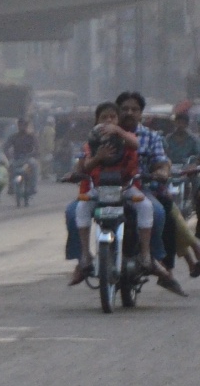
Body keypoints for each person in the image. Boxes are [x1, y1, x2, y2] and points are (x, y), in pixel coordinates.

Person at [69, 116, 183, 293]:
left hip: (126, 188)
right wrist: (99, 157)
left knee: (146, 207)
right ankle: (84, 255)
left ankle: (146, 254)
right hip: (100, 189)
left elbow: (135, 148)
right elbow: (86, 167)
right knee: (81, 207)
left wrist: (119, 132)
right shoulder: (91, 145)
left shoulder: (128, 143)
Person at [115, 89, 200, 276]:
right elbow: (86, 156)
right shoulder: (105, 133)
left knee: (161, 211)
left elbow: (162, 161)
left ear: (140, 113)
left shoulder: (152, 137)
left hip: (143, 187)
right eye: (125, 109)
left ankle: (153, 257)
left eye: (134, 109)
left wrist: (162, 171)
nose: (129, 113)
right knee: (75, 211)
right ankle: (83, 261)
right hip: (108, 189)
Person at [5, 116, 40, 197]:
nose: (22, 127)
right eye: (20, 125)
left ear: (27, 126)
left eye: (24, 125)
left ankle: (33, 187)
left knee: (34, 165)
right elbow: (6, 147)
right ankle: (11, 187)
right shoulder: (14, 137)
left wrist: (35, 153)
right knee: (11, 166)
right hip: (17, 158)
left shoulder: (31, 136)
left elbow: (37, 147)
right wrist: (8, 154)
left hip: (28, 158)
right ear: (18, 126)